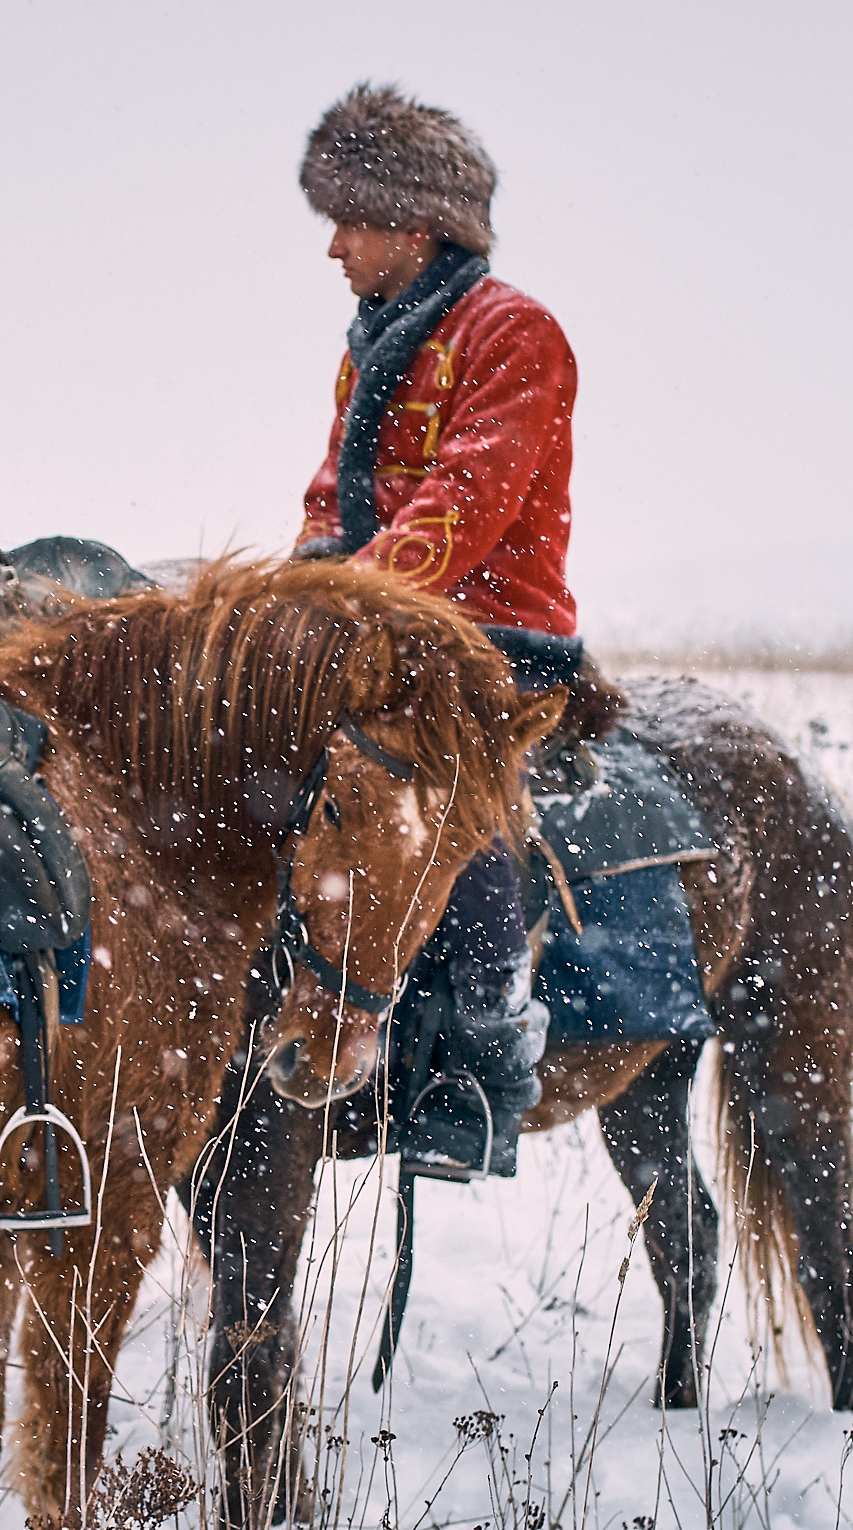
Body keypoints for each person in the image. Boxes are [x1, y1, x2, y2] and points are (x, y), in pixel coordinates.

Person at [292, 82, 584, 1183]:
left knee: (451, 804)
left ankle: (484, 1047)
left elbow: (465, 505)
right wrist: (293, 596)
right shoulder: (372, 339)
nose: (332, 247)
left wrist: (349, 601)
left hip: (488, 635)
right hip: (378, 626)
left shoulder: (516, 334)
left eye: (348, 222)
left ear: (414, 227)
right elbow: (333, 494)